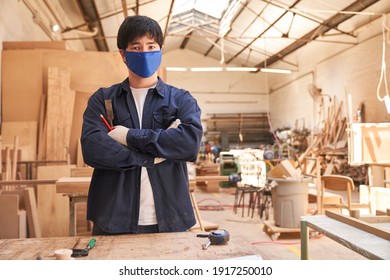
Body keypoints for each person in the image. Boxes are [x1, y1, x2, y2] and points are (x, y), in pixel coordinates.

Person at [80, 15, 203, 235]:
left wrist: (127, 137)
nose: (145, 53)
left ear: (161, 50)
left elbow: (189, 144)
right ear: (123, 54)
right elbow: (92, 148)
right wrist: (152, 155)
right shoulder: (103, 100)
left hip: (171, 218)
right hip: (113, 219)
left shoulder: (181, 100)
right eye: (136, 47)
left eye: (151, 46)